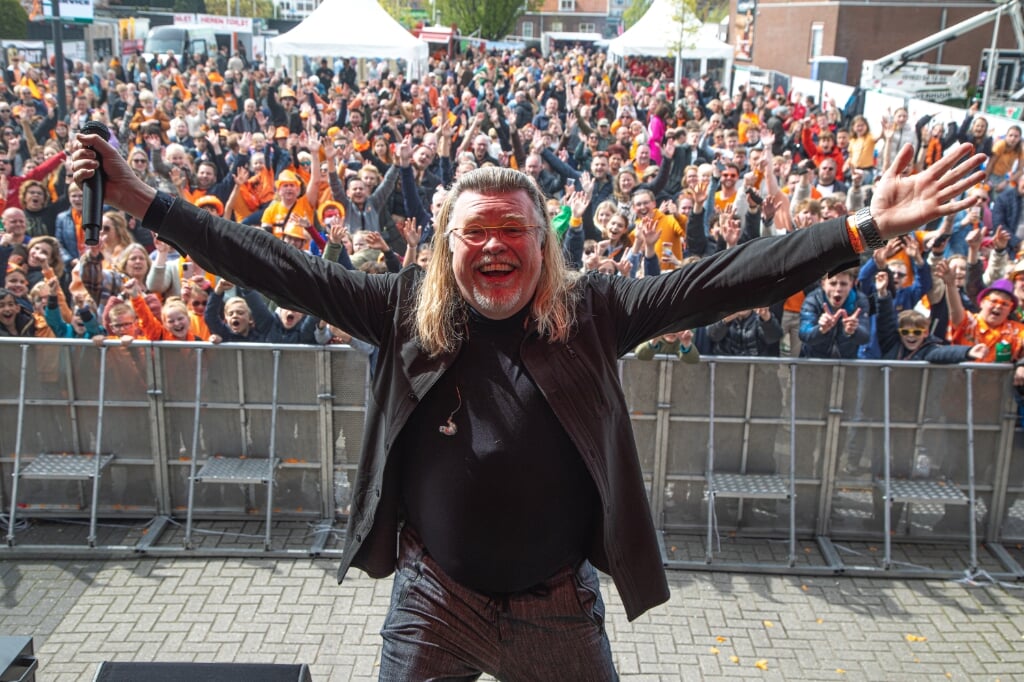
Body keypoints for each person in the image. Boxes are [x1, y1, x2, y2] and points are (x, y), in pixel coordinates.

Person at [72, 131, 985, 680]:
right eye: (478, 233)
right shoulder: (402, 312)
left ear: (545, 247)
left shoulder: (595, 315)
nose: (497, 247)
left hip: (557, 609)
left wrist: (861, 229)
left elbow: (727, 280)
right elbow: (270, 264)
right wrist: (144, 201)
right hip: (436, 601)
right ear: (446, 249)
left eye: (517, 230)